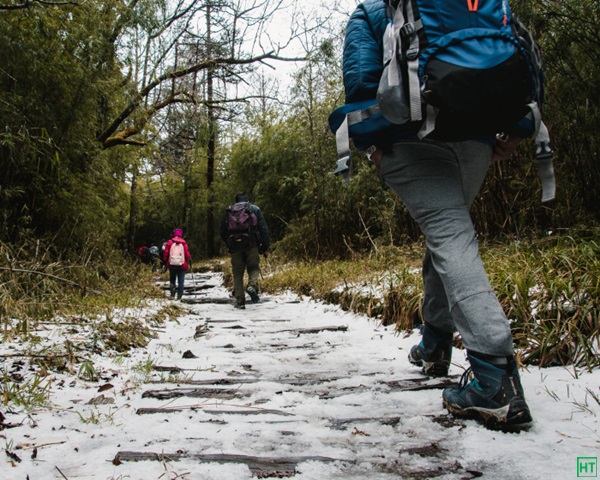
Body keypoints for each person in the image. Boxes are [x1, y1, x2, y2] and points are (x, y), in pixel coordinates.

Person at [343, 0, 535, 431]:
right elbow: (517, 54)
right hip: (476, 140)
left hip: (409, 140)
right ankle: (434, 344)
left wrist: (371, 146)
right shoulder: (479, 3)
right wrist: (515, 128)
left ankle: (494, 376)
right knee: (448, 232)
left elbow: (359, 80)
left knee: (449, 234)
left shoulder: (373, 12)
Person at [220, 193, 270, 309]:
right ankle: (252, 285)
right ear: (247, 200)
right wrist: (264, 247)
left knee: (237, 273)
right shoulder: (254, 209)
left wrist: (230, 244)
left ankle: (240, 302)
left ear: (236, 201)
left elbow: (222, 231)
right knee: (253, 268)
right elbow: (264, 229)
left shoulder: (229, 211)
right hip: (251, 244)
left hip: (235, 247)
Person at [163, 228, 191, 300]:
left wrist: (165, 262)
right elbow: (187, 254)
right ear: (181, 234)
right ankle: (179, 296)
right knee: (181, 281)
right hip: (182, 265)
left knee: (172, 279)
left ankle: (172, 294)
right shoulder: (183, 242)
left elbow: (166, 253)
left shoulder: (169, 242)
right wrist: (189, 259)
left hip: (172, 264)